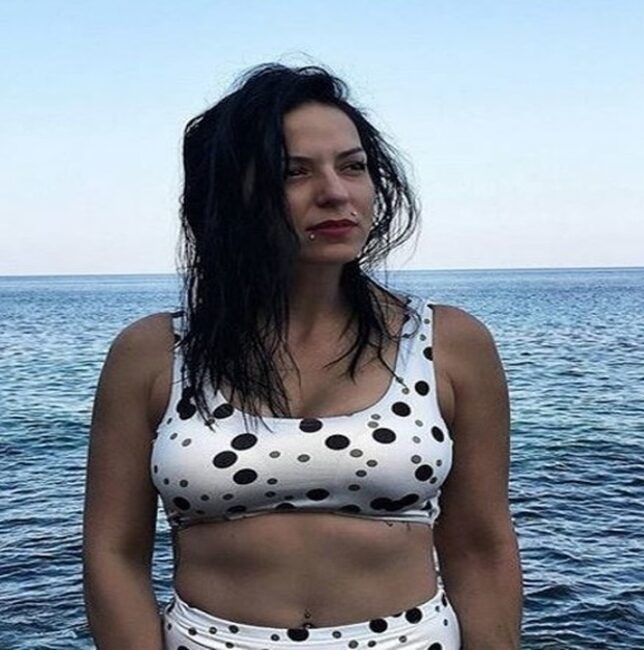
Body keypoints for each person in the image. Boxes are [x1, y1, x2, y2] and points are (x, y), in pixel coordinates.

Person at [82, 63, 522, 650]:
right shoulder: (154, 354)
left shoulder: (448, 343)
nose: (336, 193)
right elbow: (112, 552)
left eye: (353, 166)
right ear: (231, 195)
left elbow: (481, 547)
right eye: (295, 172)